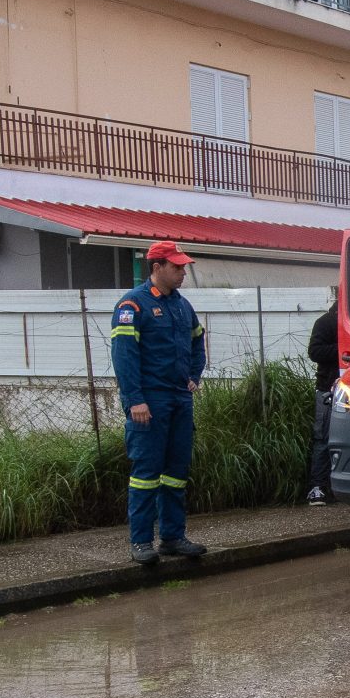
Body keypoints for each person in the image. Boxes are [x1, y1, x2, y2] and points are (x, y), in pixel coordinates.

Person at [110, 241, 208, 566]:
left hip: (180, 399)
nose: (183, 272)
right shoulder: (132, 305)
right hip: (149, 402)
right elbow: (124, 357)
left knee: (176, 473)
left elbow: (198, 341)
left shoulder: (182, 306)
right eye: (177, 267)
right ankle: (140, 542)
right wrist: (135, 400)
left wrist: (194, 374)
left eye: (183, 267)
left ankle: (172, 537)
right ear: (157, 267)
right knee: (146, 474)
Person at [305, 298, 339, 505]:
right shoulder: (325, 322)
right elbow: (314, 351)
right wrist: (344, 348)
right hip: (327, 388)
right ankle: (317, 487)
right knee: (323, 438)